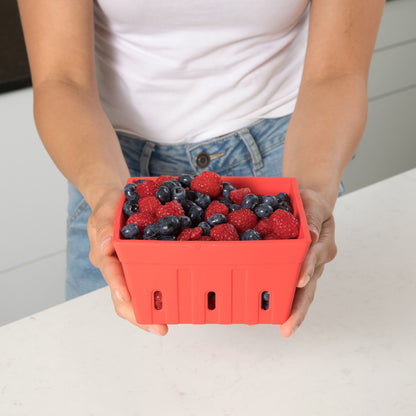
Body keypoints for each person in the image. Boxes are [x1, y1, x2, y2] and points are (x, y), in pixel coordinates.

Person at [17, 0, 384, 337]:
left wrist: (312, 195)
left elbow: (337, 73)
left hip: (287, 165)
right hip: (112, 173)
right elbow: (60, 80)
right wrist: (104, 194)